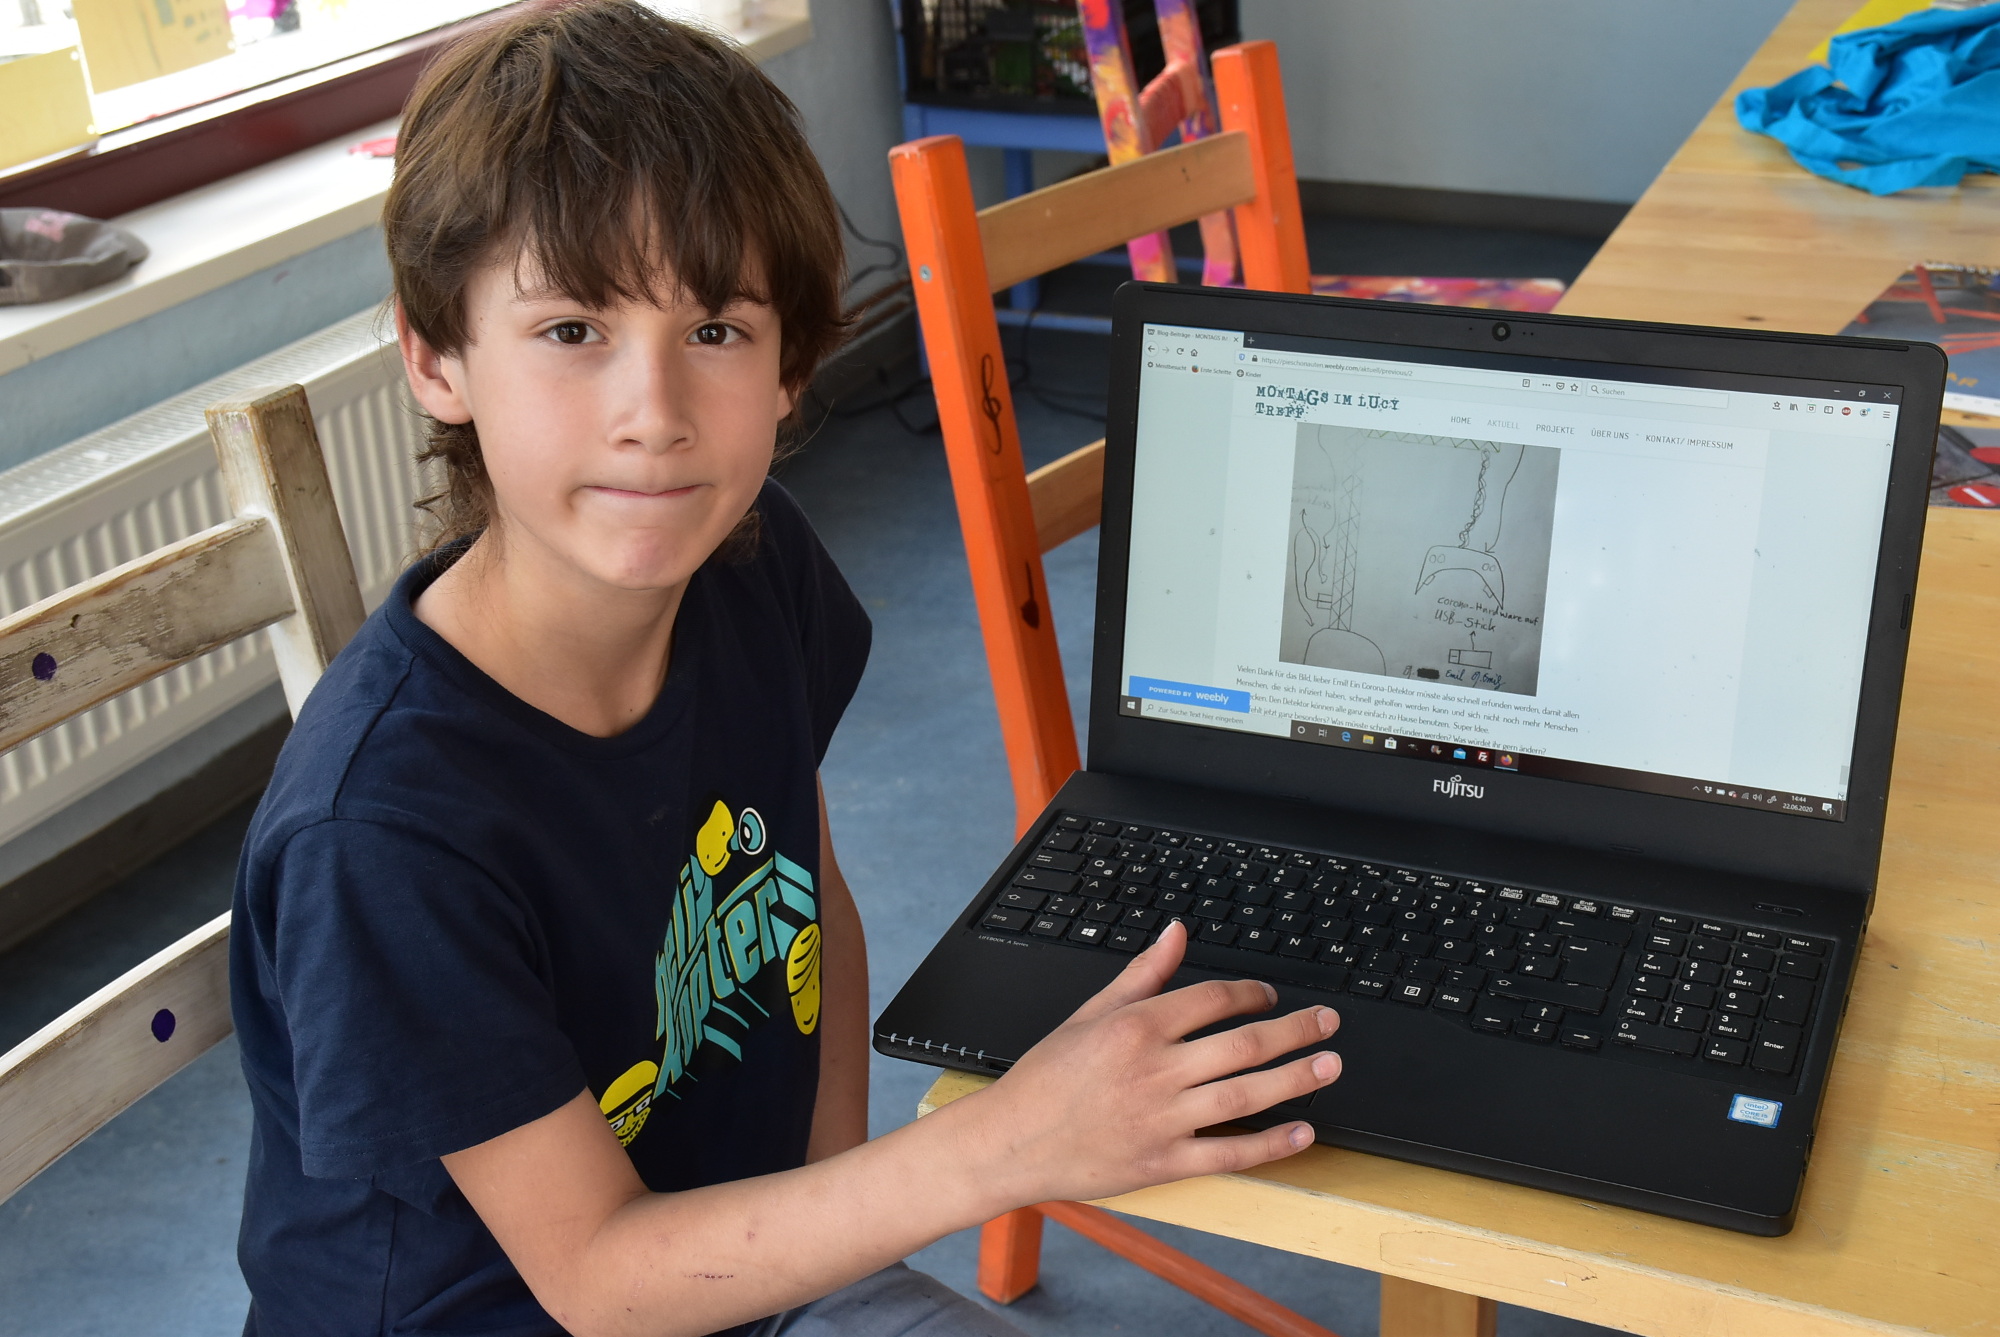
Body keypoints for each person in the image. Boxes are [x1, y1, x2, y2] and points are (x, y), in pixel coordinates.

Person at [228, 2, 1344, 1333]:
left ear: (791, 368)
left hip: (742, 1280)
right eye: (573, 330)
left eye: (715, 331)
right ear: (436, 358)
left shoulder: (750, 569)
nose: (653, 416)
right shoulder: (381, 829)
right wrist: (1008, 1144)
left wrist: (832, 1251)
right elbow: (597, 1280)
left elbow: (810, 903)